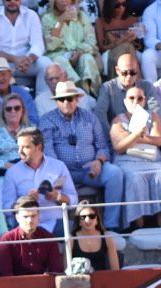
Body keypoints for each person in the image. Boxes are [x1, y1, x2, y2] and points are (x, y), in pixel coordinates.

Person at [40, 80, 123, 231]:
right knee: (48, 181)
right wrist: (61, 171)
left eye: (70, 98)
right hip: (62, 172)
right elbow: (48, 153)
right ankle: (60, 230)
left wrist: (99, 161)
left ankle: (112, 226)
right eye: (61, 99)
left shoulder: (89, 117)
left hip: (88, 170)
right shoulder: (47, 120)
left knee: (114, 173)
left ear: (77, 99)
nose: (66, 102)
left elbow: (103, 146)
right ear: (57, 101)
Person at [111, 82, 161, 229]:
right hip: (128, 161)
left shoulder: (152, 116)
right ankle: (138, 225)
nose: (136, 101)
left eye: (140, 98)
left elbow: (158, 140)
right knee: (134, 178)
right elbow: (119, 147)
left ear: (144, 100)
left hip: (152, 161)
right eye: (131, 98)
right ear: (125, 101)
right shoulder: (118, 120)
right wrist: (137, 134)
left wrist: (131, 137)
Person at [0, 193, 65, 275]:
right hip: (15, 285)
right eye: (25, 217)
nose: (30, 220)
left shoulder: (49, 238)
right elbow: (6, 274)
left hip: (42, 284)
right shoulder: (7, 240)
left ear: (38, 216)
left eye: (33, 216)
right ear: (17, 217)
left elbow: (56, 270)